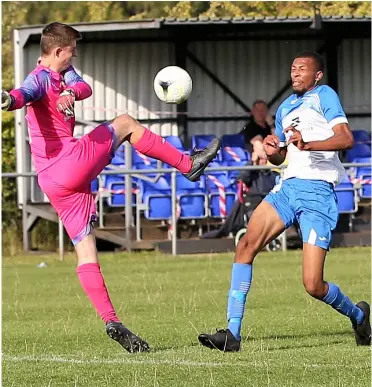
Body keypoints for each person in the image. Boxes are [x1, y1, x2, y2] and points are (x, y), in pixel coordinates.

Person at [1, 22, 221, 353]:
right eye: (72, 49)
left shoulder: (65, 75)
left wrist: (70, 92)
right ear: (58, 50)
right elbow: (23, 95)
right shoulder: (40, 78)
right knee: (125, 123)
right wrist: (7, 99)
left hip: (52, 181)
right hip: (67, 163)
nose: (75, 53)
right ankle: (188, 165)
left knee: (86, 251)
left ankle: (112, 322)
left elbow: (83, 87)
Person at [198, 51, 371, 352]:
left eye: (302, 69)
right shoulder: (285, 108)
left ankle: (358, 315)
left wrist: (309, 143)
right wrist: (272, 149)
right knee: (245, 245)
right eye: (293, 69)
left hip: (318, 193)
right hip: (287, 188)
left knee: (313, 285)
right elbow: (282, 155)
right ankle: (232, 333)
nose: (295, 73)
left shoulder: (324, 95)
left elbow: (345, 139)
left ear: (317, 75)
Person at [240, 100, 275, 165]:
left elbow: (278, 139)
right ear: (253, 112)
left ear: (267, 112)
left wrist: (271, 124)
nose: (260, 113)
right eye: (257, 110)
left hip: (273, 155)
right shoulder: (249, 127)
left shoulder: (271, 126)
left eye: (263, 110)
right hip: (254, 157)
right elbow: (257, 142)